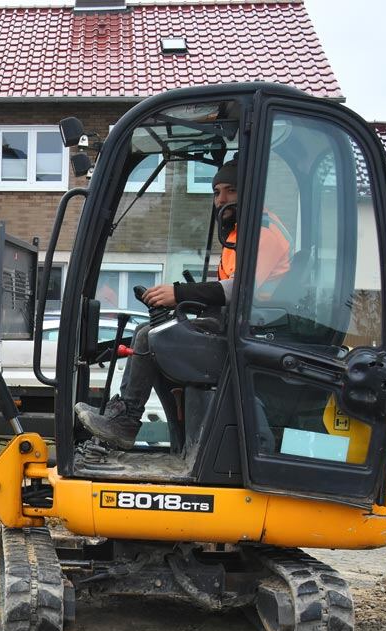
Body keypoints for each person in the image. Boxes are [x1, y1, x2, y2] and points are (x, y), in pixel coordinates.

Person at [74, 158, 291, 449]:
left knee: (151, 337)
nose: (221, 200)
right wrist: (181, 305)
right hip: (240, 327)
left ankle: (125, 422)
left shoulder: (264, 233)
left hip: (254, 335)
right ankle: (154, 430)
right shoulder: (242, 232)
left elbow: (238, 289)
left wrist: (179, 294)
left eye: (231, 191)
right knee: (154, 330)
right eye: (216, 192)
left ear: (250, 192)